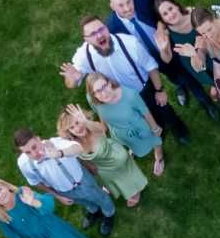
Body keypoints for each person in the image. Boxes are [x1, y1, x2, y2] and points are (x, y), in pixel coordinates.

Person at [60, 14, 189, 144]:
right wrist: (74, 79)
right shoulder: (84, 56)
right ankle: (155, 137)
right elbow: (71, 83)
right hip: (117, 99)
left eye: (101, 29)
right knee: (140, 121)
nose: (99, 36)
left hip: (144, 91)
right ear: (86, 39)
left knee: (164, 111)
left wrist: (159, 90)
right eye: (93, 34)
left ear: (106, 28)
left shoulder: (130, 43)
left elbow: (151, 67)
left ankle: (179, 131)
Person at [111, 0, 217, 123]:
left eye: (128, 2)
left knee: (187, 75)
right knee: (172, 75)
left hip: (171, 46)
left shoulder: (141, 1)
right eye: (121, 5)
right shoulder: (112, 27)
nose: (127, 8)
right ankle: (180, 86)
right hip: (149, 58)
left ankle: (206, 102)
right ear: (112, 6)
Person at [14, 128, 116, 236]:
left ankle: (109, 214)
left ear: (38, 139)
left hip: (82, 182)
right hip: (63, 191)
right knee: (83, 202)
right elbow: (36, 182)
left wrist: (59, 153)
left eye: (34, 147)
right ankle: (94, 211)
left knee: (100, 197)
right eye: (28, 152)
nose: (34, 154)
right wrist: (58, 196)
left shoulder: (56, 143)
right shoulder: (24, 164)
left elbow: (77, 148)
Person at [56, 105, 149, 207]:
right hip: (102, 168)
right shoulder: (73, 142)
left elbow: (102, 129)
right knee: (112, 180)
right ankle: (114, 186)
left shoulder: (93, 129)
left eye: (77, 122)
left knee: (126, 176)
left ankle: (135, 191)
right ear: (68, 131)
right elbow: (76, 155)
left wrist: (86, 122)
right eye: (72, 127)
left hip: (115, 158)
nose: (77, 129)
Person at [84, 73, 166, 179]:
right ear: (93, 95)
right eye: (98, 91)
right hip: (119, 133)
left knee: (154, 140)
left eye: (104, 86)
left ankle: (159, 156)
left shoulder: (130, 95)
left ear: (109, 83)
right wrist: (95, 125)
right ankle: (133, 147)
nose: (104, 93)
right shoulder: (93, 100)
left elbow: (145, 111)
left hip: (139, 128)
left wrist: (154, 127)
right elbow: (101, 119)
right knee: (130, 144)